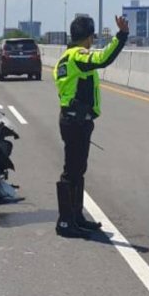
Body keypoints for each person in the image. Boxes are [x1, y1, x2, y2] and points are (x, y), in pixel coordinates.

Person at [53, 15, 129, 238]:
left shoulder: (65, 58)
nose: (93, 41)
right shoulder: (78, 56)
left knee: (77, 170)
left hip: (74, 119)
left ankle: (76, 217)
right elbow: (104, 58)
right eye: (92, 36)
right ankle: (66, 222)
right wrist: (121, 36)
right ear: (88, 36)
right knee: (71, 171)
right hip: (75, 121)